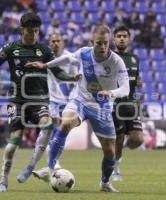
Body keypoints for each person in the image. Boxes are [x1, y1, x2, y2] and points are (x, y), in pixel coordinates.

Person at [0, 12, 78, 192]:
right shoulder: (11, 48)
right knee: (13, 144)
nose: (34, 35)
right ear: (21, 30)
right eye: (30, 31)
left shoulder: (45, 50)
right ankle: (3, 179)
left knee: (48, 125)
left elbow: (58, 73)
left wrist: (72, 78)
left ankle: (30, 167)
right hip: (17, 102)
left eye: (36, 31)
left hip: (39, 101)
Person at [24, 25, 130, 192]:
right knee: (65, 123)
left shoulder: (116, 61)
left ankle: (105, 183)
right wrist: (46, 65)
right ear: (91, 42)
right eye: (98, 43)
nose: (102, 47)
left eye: (106, 43)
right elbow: (66, 59)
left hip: (101, 107)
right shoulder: (83, 53)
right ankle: (50, 167)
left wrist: (111, 92)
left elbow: (126, 89)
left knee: (110, 151)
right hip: (79, 99)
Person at [32, 33, 78, 179]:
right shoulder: (45, 57)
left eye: (58, 41)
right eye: (53, 41)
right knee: (49, 129)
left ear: (63, 43)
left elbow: (75, 79)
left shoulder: (70, 58)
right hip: (50, 99)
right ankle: (51, 164)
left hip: (67, 101)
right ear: (49, 43)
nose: (55, 43)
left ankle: (49, 167)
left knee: (59, 133)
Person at [111, 25, 143, 181]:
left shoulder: (134, 58)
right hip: (115, 105)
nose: (122, 38)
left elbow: (135, 79)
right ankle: (115, 170)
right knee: (118, 137)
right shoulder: (109, 58)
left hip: (131, 104)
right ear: (114, 39)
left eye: (124, 36)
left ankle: (118, 150)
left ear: (129, 39)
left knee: (137, 140)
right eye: (119, 36)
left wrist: (138, 83)